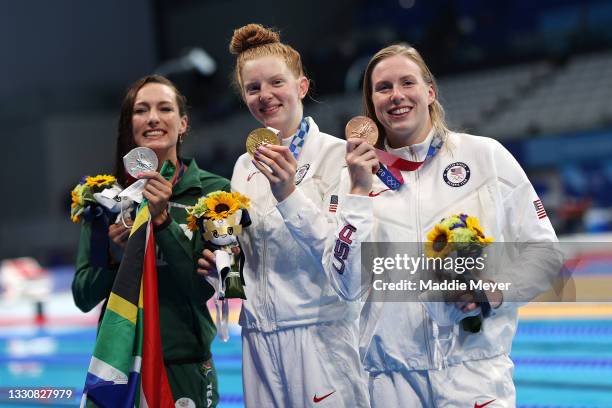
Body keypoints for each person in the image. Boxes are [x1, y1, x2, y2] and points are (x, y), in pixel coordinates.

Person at [324, 44, 562, 407]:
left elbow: (545, 253)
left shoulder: (485, 157)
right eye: (383, 88)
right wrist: (357, 193)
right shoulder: (354, 180)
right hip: (391, 380)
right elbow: (345, 286)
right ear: (372, 104)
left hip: (475, 371)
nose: (397, 95)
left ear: (429, 91)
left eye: (407, 82)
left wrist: (496, 292)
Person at [197, 24, 369, 407]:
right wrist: (222, 267)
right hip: (257, 337)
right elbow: (251, 254)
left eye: (276, 82)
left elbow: (344, 262)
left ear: (302, 86)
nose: (265, 96)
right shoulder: (244, 166)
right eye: (253, 88)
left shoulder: (337, 156)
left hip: (320, 336)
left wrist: (288, 193)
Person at [72, 74, 229, 408]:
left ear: (183, 123)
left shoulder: (215, 193)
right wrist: (121, 258)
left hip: (184, 365)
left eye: (165, 109)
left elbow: (202, 288)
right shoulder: (102, 198)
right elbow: (83, 294)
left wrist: (161, 222)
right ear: (130, 126)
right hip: (119, 364)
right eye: (141, 110)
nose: (154, 118)